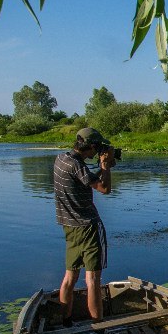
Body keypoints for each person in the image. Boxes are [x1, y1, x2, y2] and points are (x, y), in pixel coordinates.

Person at [54, 127, 116, 323]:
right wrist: (105, 167)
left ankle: (66, 321)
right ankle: (99, 328)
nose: (97, 152)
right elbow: (104, 189)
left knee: (70, 277)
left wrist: (102, 168)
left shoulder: (61, 159)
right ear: (89, 146)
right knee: (93, 280)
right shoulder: (77, 166)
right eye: (96, 148)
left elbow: (84, 180)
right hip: (87, 227)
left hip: (69, 226)